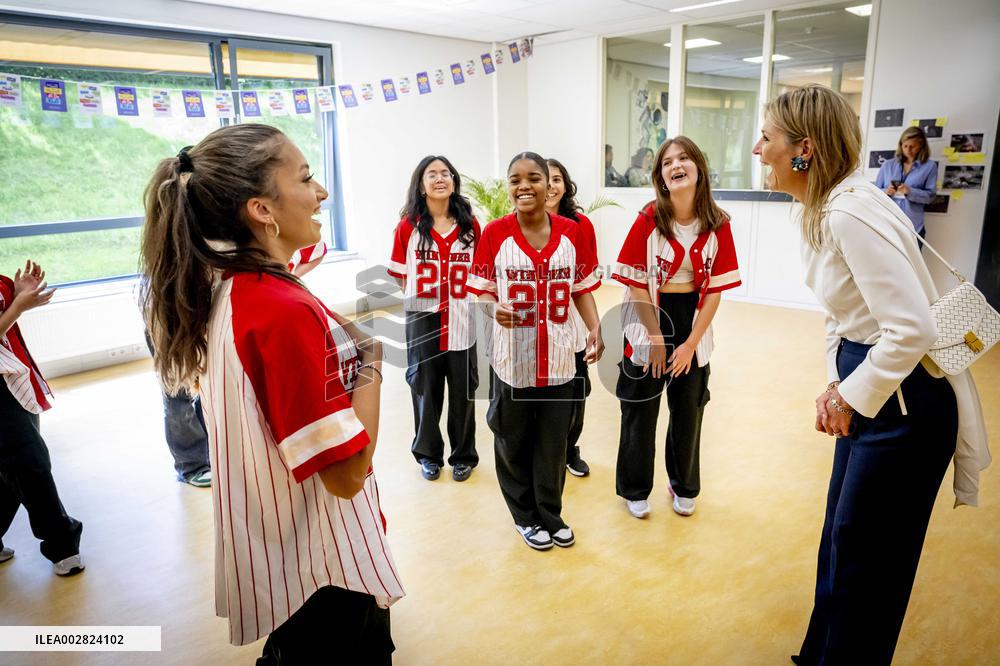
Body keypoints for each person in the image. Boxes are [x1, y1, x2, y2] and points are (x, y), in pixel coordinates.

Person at [141, 125, 402, 661]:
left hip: (287, 554)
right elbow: (347, 477)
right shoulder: (280, 312)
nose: (321, 192)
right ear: (262, 209)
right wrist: (372, 363)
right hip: (325, 568)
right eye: (305, 178)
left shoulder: (236, 287)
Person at [752, 83, 989, 665]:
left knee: (868, 561)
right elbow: (846, 315)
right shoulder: (825, 206)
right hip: (877, 385)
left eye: (767, 137)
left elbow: (911, 329)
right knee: (842, 540)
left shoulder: (849, 211)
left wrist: (850, 395)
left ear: (804, 148)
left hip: (908, 403)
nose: (758, 150)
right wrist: (838, 385)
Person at [467, 152, 604, 551]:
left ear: (549, 185)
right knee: (512, 440)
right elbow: (481, 292)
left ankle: (551, 514)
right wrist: (493, 309)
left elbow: (581, 289)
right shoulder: (494, 233)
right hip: (513, 360)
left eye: (533, 178)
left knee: (553, 444)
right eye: (515, 179)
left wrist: (595, 327)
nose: (524, 185)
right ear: (509, 187)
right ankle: (525, 517)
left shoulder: (571, 232)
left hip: (560, 358)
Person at [611, 137, 741, 520]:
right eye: (667, 162)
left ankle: (683, 484)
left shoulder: (718, 223)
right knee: (640, 407)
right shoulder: (648, 219)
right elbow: (636, 283)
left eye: (683, 158)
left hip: (691, 318)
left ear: (699, 168)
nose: (675, 165)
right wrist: (655, 339)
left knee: (688, 409)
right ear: (661, 177)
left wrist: (689, 344)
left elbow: (715, 291)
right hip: (648, 314)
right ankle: (635, 488)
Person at [389, 156, 480, 482]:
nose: (440, 179)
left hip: (462, 318)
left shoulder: (470, 226)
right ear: (421, 184)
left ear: (454, 181)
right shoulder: (408, 227)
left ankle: (463, 456)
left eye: (446, 173)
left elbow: (480, 271)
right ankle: (428, 455)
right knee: (424, 389)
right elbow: (400, 274)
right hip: (423, 320)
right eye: (432, 174)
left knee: (463, 391)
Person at [0, 260, 85, 576]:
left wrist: (18, 294)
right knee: (29, 462)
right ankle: (62, 545)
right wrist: (18, 306)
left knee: (11, 469)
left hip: (12, 379)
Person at [545, 157, 598, 478]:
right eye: (545, 179)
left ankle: (569, 449)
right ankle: (543, 451)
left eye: (557, 179)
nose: (551, 186)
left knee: (577, 390)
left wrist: (593, 327)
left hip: (572, 323)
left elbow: (585, 281)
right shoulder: (517, 225)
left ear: (566, 186)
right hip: (535, 327)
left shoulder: (580, 224)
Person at [874, 126, 937, 245]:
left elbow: (930, 196)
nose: (908, 150)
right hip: (887, 225)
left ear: (921, 145)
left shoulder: (930, 167)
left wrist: (910, 191)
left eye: (912, 146)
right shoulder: (888, 165)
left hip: (913, 227)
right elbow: (874, 193)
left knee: (911, 258)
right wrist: (886, 192)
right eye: (905, 146)